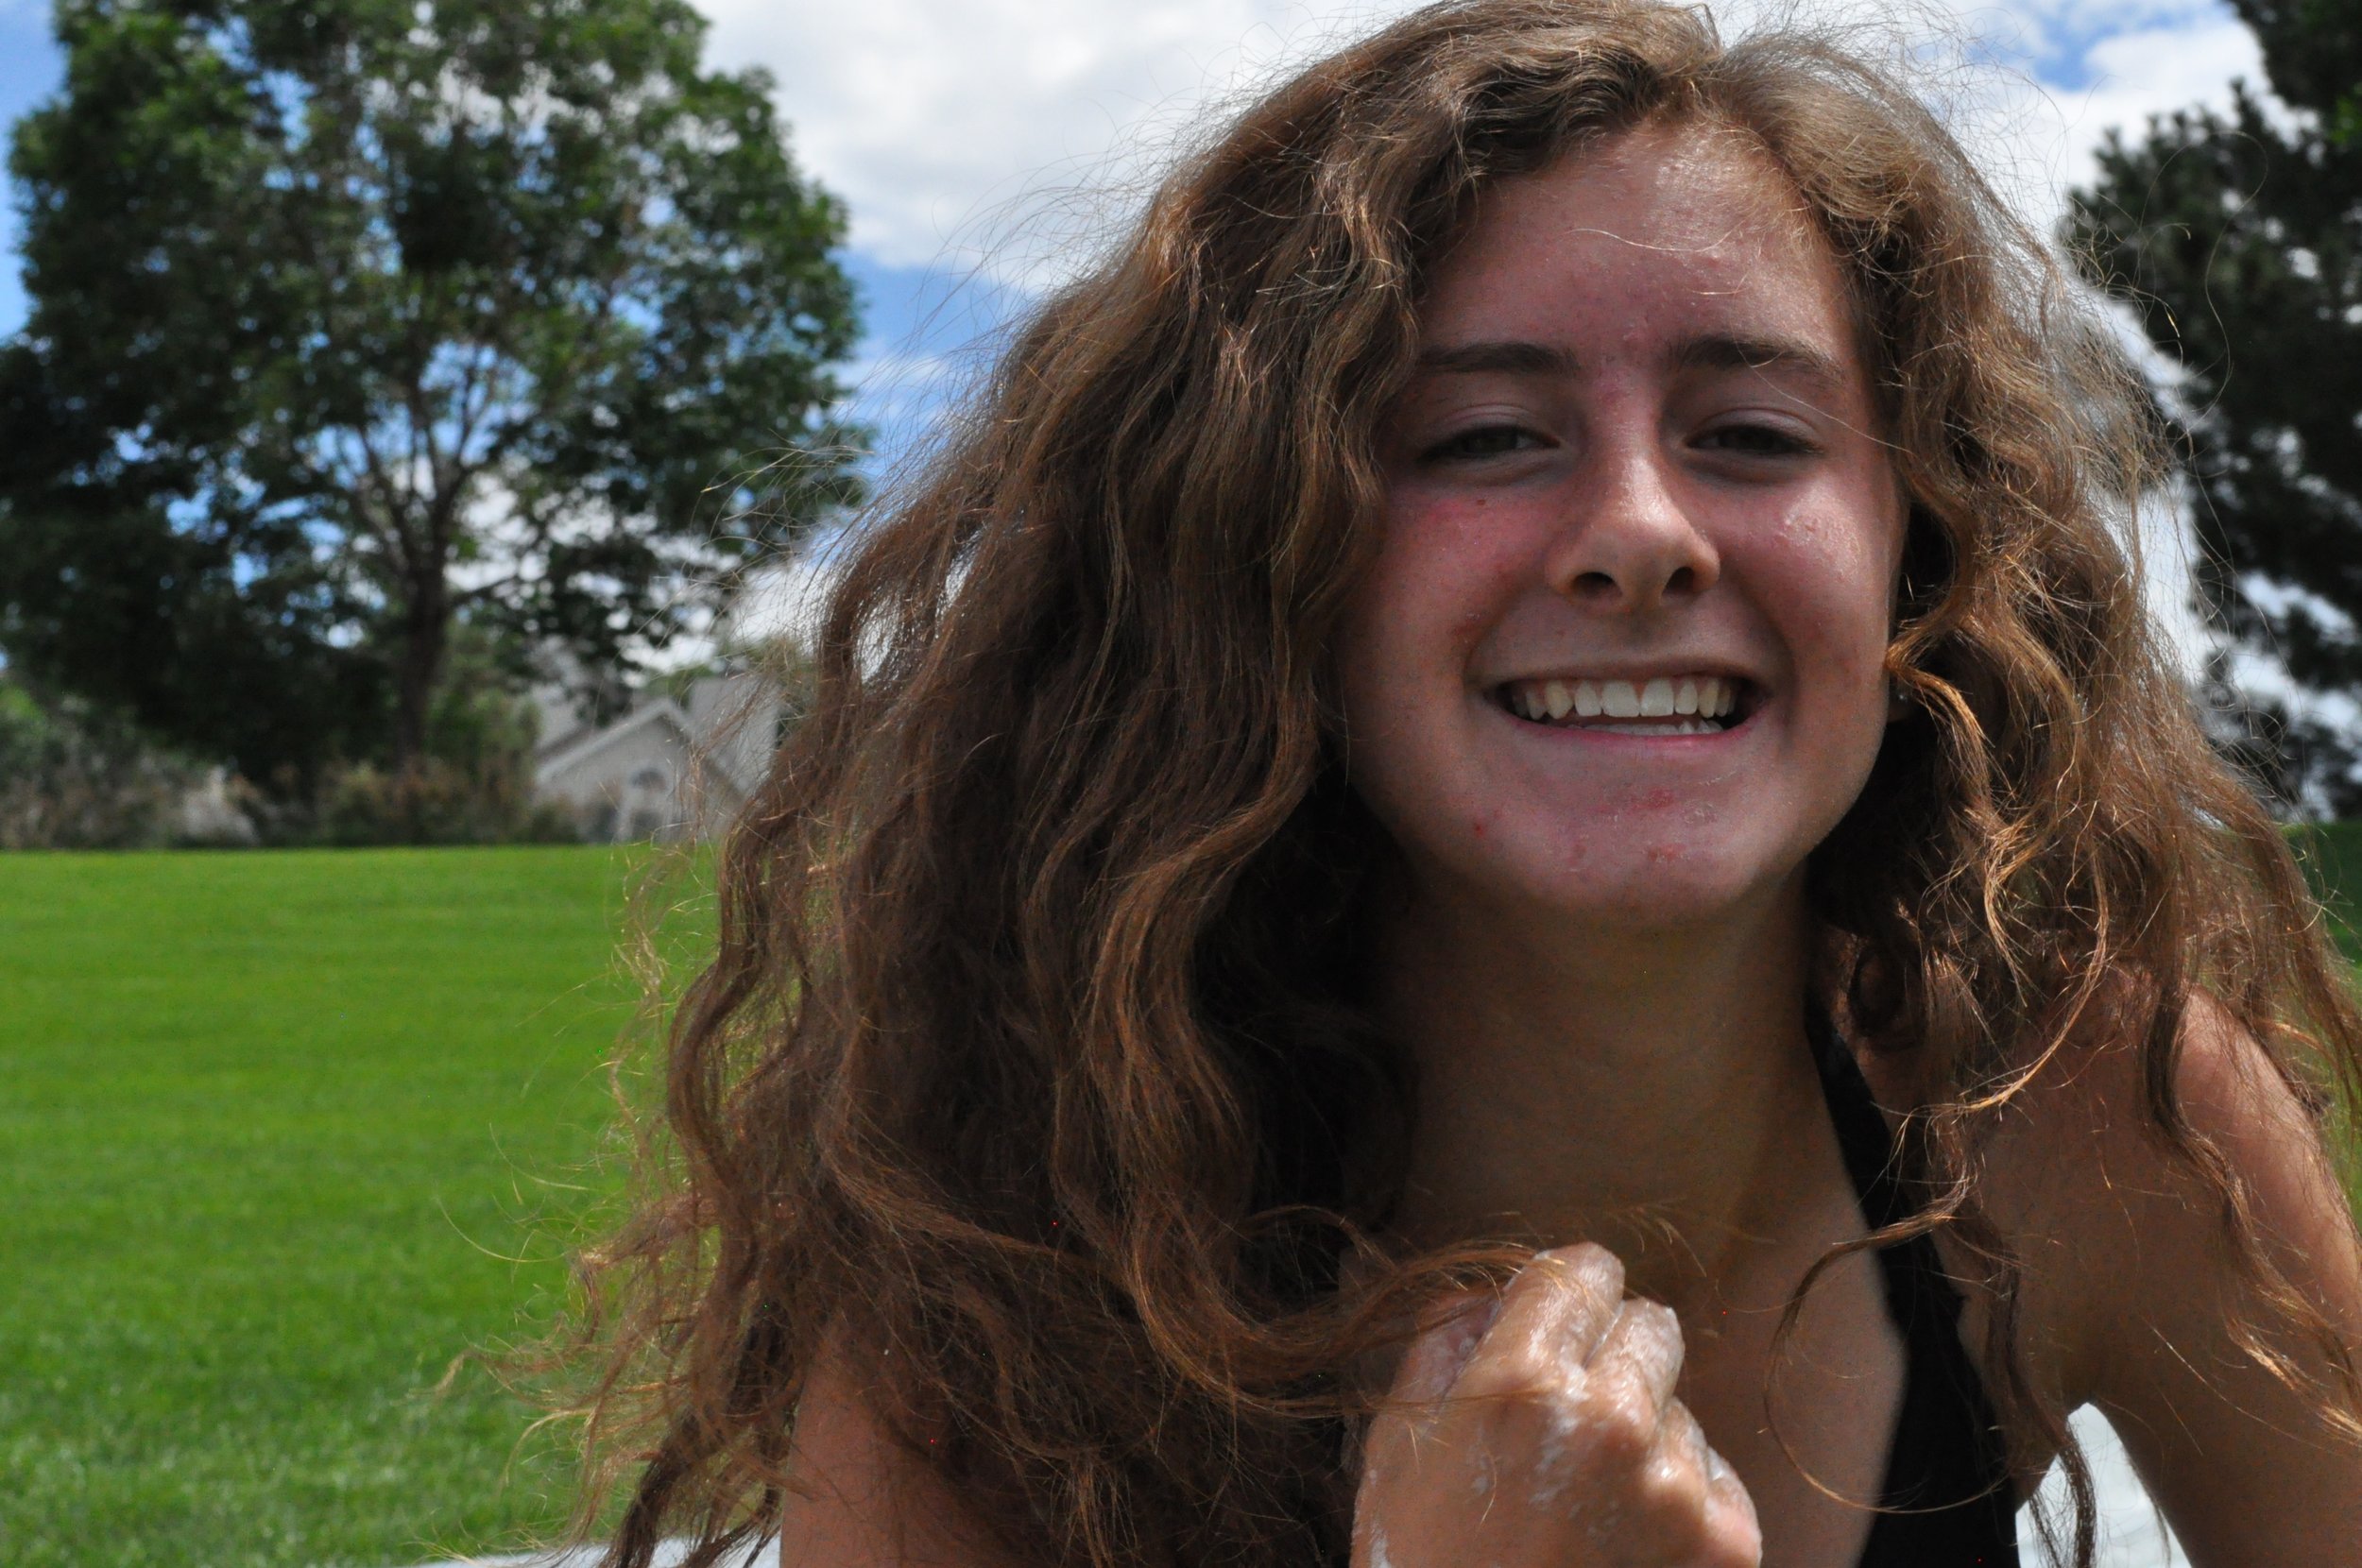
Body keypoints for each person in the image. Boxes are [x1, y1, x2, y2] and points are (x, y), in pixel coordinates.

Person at [571, 3, 2362, 1564]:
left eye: (1753, 434)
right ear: (1266, 575)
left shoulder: (2098, 1117)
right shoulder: (998, 1285)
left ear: (1920, 559)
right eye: (1484, 437)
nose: (1643, 535)